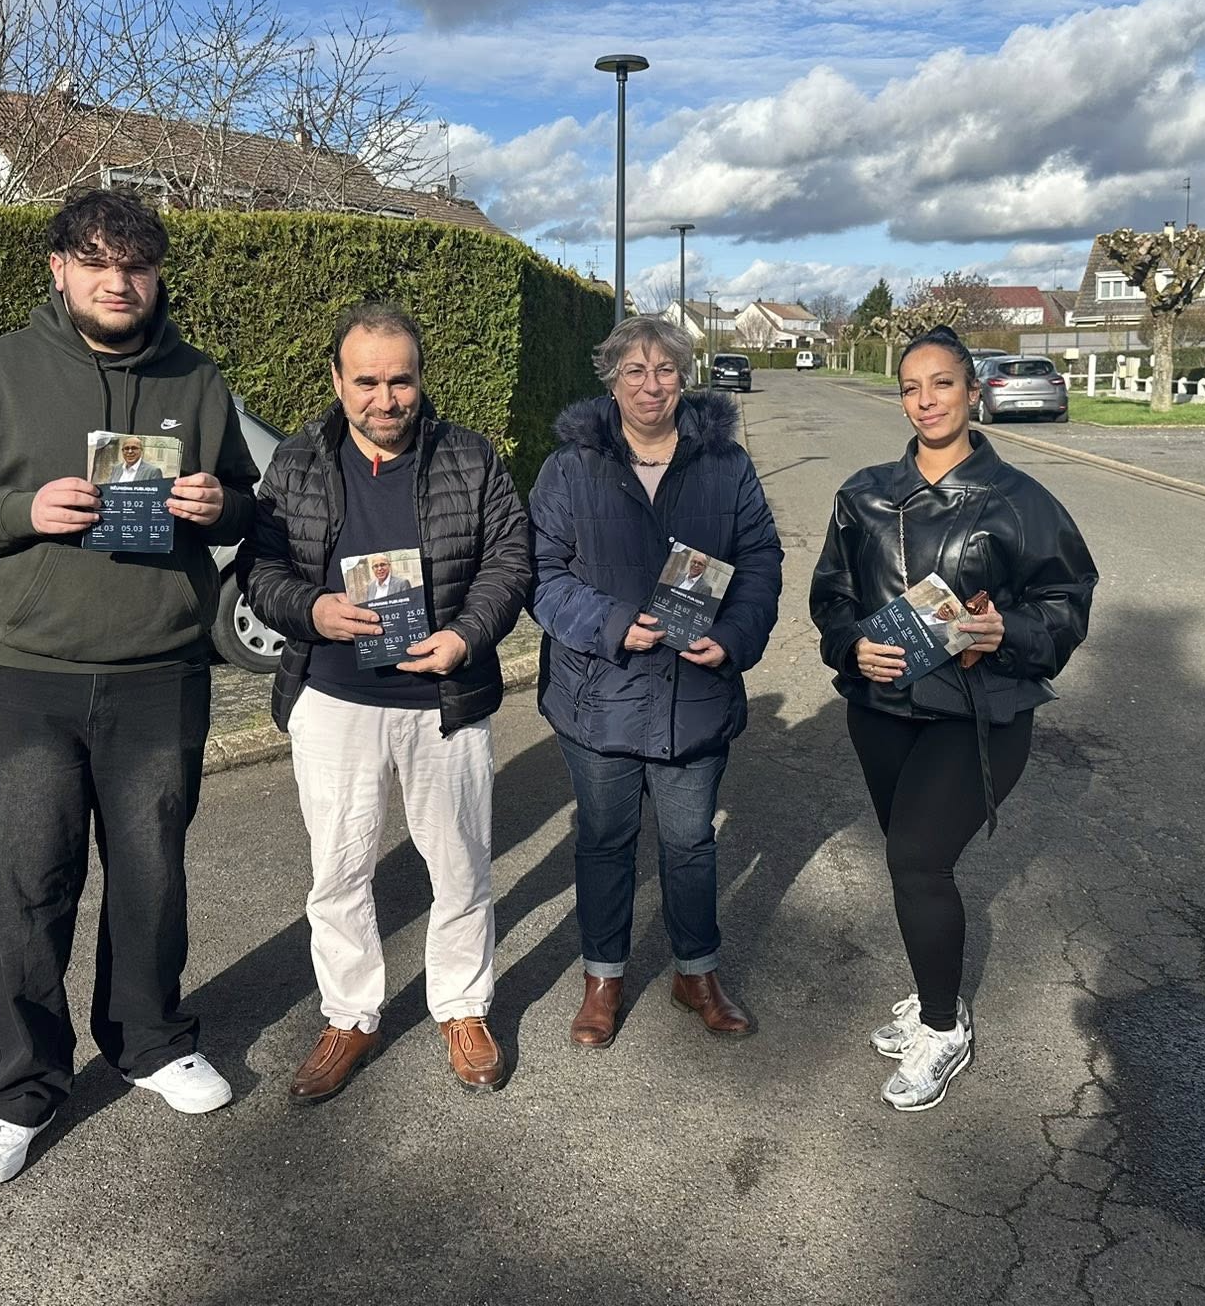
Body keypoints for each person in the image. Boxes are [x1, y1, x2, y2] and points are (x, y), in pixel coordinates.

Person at [0, 189, 261, 1185]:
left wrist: (215, 501)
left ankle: (148, 1040)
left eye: (137, 264)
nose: (119, 282)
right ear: (56, 267)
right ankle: (22, 1087)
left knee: (151, 874)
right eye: (97, 262)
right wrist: (25, 508)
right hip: (24, 678)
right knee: (24, 886)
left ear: (155, 276)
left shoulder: (195, 378)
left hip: (159, 674)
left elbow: (243, 500)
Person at [243, 302, 531, 1101]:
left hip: (445, 696)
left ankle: (463, 1007)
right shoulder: (298, 462)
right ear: (337, 380)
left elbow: (512, 559)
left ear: (420, 377)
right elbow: (259, 571)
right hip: (334, 699)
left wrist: (468, 635)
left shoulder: (470, 459)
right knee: (337, 870)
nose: (385, 398)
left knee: (461, 866)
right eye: (366, 381)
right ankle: (350, 1014)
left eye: (399, 380)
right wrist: (313, 612)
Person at [809, 324, 1096, 1113]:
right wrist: (851, 647)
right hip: (883, 710)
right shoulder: (862, 494)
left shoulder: (1022, 502)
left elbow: (1066, 603)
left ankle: (944, 1027)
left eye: (942, 384)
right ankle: (934, 992)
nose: (926, 400)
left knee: (917, 860)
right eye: (911, 386)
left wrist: (1015, 632)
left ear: (974, 393)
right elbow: (832, 598)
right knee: (911, 862)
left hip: (978, 714)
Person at [529, 316, 783, 1048]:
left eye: (666, 370)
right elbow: (540, 576)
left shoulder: (725, 464)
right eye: (635, 371)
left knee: (690, 843)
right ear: (611, 377)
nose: (651, 385)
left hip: (693, 696)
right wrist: (610, 623)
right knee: (605, 841)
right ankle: (602, 978)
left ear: (684, 376)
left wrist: (735, 638)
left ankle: (695, 971)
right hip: (597, 695)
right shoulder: (570, 468)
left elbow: (762, 558)